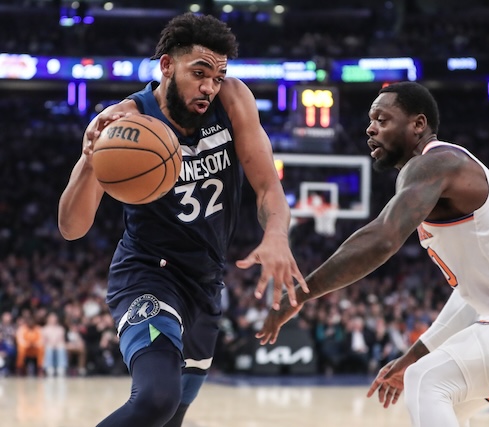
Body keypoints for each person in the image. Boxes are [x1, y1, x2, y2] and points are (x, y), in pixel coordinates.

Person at [257, 82, 489, 427]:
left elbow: (382, 238)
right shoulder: (433, 174)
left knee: (428, 380)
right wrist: (414, 354)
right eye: (371, 120)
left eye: (382, 119)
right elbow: (471, 296)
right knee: (441, 401)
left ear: (418, 124)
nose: (370, 128)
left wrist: (299, 295)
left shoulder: (436, 163)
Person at [58, 13, 307, 427]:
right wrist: (89, 162)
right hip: (147, 274)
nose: (210, 85)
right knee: (156, 398)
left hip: (206, 283)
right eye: (200, 72)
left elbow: (268, 189)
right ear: (167, 66)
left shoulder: (233, 99)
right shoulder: (125, 121)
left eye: (219, 74)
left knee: (170, 417)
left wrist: (277, 234)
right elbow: (71, 227)